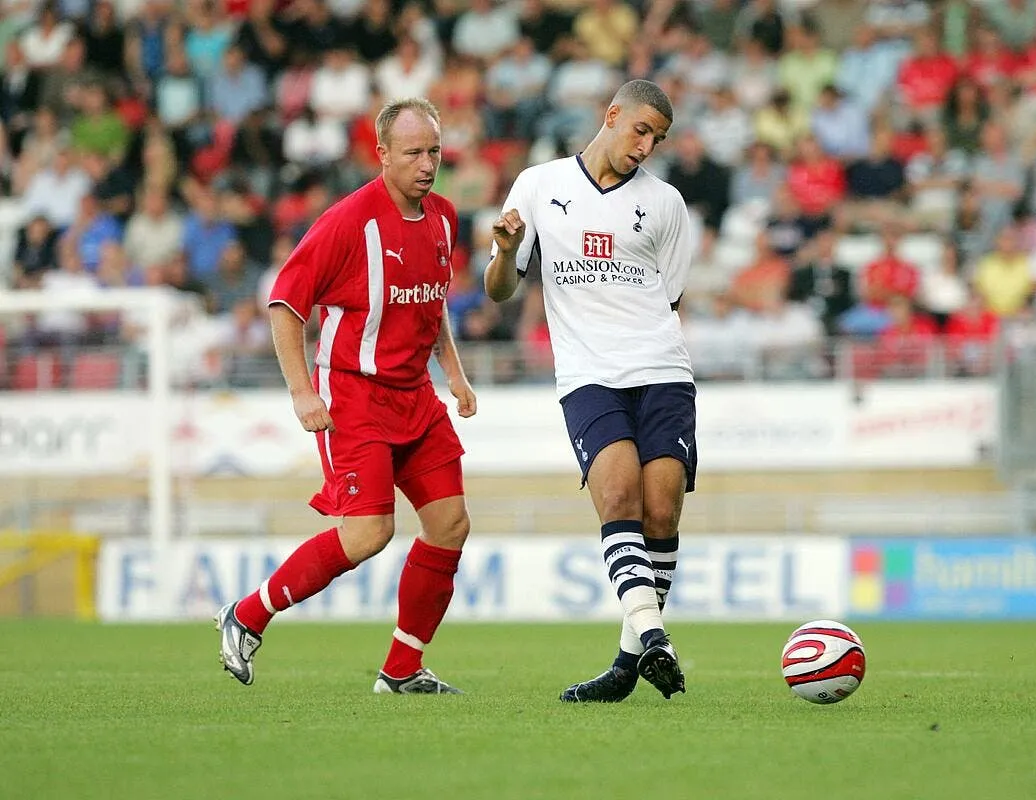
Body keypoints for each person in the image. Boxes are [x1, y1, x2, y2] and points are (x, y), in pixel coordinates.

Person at [215, 98, 477, 695]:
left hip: (416, 397)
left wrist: (454, 375)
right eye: (413, 152)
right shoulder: (348, 221)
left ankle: (402, 670)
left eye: (434, 151)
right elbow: (284, 304)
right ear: (381, 153)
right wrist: (301, 391)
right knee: (368, 534)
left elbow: (430, 303)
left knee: (451, 524)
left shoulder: (442, 217)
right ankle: (247, 615)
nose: (427, 164)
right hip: (354, 396)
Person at [484, 79, 694, 702]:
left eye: (657, 139)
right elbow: (500, 290)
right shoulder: (539, 184)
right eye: (640, 131)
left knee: (661, 511)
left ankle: (628, 665)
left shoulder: (666, 204)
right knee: (617, 493)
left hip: (661, 369)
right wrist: (505, 252)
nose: (647, 146)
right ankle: (655, 636)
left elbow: (670, 299)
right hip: (587, 374)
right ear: (611, 115)